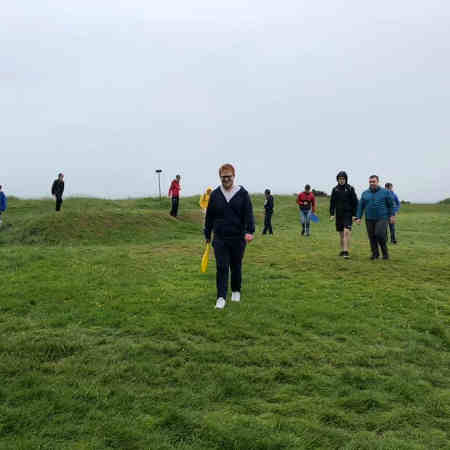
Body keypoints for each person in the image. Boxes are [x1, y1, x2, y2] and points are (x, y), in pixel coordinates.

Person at [204, 164, 255, 309]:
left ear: (234, 176)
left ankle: (236, 290)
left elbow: (248, 213)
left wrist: (250, 231)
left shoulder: (242, 193)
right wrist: (207, 233)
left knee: (236, 265)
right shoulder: (214, 195)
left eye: (229, 177)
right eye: (223, 177)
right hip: (220, 237)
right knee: (221, 266)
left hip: (238, 237)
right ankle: (221, 297)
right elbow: (210, 216)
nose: (226, 179)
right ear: (220, 177)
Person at [356, 175, 395, 260]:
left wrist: (392, 215)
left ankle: (385, 253)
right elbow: (360, 206)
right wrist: (358, 217)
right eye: (370, 182)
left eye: (374, 181)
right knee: (372, 236)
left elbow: (391, 205)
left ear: (378, 182)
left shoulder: (385, 192)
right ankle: (375, 254)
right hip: (369, 218)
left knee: (379, 234)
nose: (372, 183)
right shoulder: (365, 193)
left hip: (382, 218)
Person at [329, 171, 358, 258]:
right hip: (339, 214)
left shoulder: (350, 188)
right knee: (341, 234)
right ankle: (342, 250)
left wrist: (354, 215)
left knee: (346, 232)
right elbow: (332, 202)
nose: (341, 180)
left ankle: (346, 251)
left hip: (348, 214)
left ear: (346, 179)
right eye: (339, 179)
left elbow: (355, 202)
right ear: (337, 180)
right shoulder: (335, 189)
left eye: (343, 179)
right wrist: (332, 214)